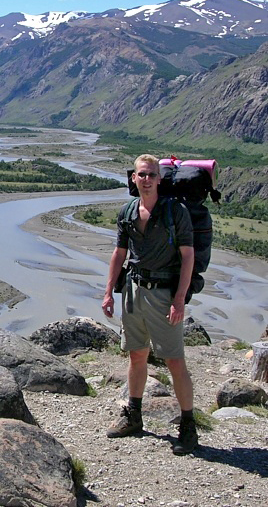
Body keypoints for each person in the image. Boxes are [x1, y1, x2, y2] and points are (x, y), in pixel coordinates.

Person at [101, 154, 198, 455]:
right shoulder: (128, 211)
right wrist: (108, 293)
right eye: (141, 174)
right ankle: (134, 416)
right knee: (136, 356)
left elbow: (188, 257)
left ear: (160, 178)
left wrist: (179, 299)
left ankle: (188, 426)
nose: (145, 179)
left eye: (151, 175)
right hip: (133, 290)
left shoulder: (175, 212)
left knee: (173, 360)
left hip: (163, 295)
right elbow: (119, 254)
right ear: (133, 177)